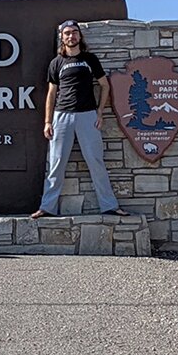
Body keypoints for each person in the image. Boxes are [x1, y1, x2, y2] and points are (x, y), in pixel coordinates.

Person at [31, 20, 130, 219]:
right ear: (62, 37)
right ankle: (47, 207)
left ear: (80, 36)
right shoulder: (56, 63)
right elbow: (51, 93)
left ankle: (109, 205)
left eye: (74, 32)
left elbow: (105, 86)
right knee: (56, 163)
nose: (71, 36)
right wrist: (47, 121)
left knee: (95, 161)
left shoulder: (90, 59)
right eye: (67, 33)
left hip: (88, 116)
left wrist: (100, 111)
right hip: (62, 116)